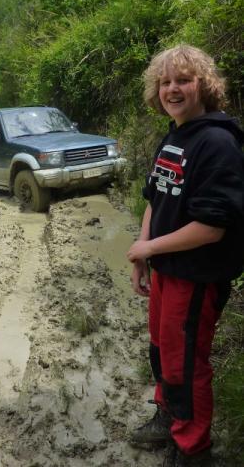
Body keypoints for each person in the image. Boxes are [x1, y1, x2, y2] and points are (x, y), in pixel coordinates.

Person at [126, 45, 244, 467]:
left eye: (183, 80)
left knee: (186, 364)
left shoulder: (218, 142)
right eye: (165, 82)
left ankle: (193, 450)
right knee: (161, 350)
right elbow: (155, 198)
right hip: (166, 268)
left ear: (204, 86)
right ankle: (168, 416)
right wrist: (142, 254)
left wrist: (149, 248)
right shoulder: (174, 135)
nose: (172, 89)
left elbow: (212, 227)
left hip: (196, 275)